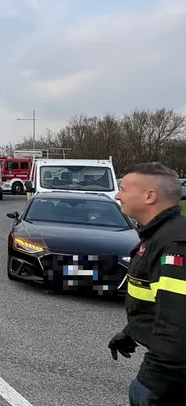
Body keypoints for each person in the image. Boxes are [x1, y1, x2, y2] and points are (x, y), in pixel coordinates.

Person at [110, 162, 186, 405]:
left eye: (122, 188)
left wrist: (155, 378)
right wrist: (133, 331)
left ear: (149, 196)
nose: (117, 195)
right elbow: (157, 299)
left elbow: (179, 319)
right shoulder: (158, 236)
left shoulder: (175, 244)